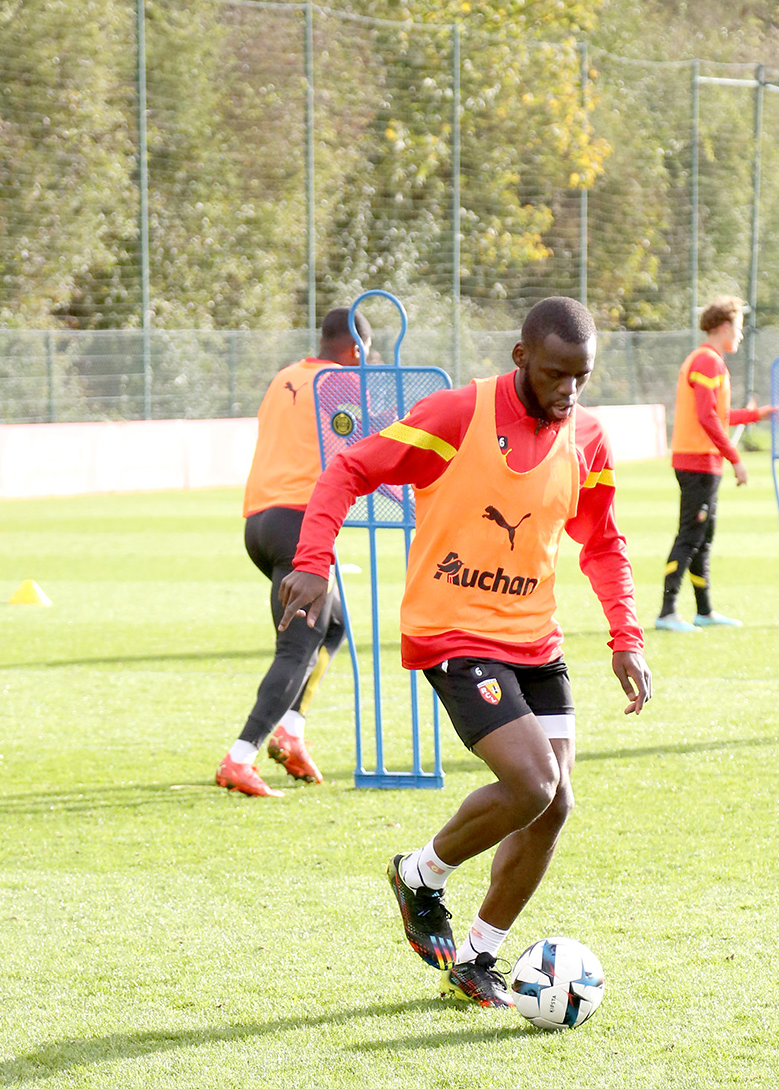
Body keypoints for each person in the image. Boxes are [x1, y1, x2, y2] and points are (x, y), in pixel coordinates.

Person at [279, 296, 653, 1009]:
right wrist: (313, 559)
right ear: (520, 359)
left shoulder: (588, 440)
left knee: (555, 805)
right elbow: (349, 469)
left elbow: (603, 541)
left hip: (535, 638)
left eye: (582, 377)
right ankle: (421, 874)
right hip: (454, 632)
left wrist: (626, 636)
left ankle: (477, 957)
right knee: (532, 783)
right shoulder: (458, 415)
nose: (568, 391)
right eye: (554, 375)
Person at [215, 307, 371, 797]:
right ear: (356, 350)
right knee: (296, 648)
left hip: (260, 523)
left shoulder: (286, 375)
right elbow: (365, 445)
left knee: (334, 625)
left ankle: (292, 732)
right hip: (302, 525)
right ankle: (241, 757)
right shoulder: (341, 385)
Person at [655, 295, 777, 632]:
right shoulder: (707, 361)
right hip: (697, 463)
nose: (740, 335)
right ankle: (667, 612)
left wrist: (755, 415)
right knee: (690, 536)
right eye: (738, 328)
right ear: (724, 327)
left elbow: (719, 416)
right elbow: (707, 416)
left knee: (703, 537)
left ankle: (704, 612)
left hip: (704, 463)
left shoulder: (711, 361)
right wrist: (735, 459)